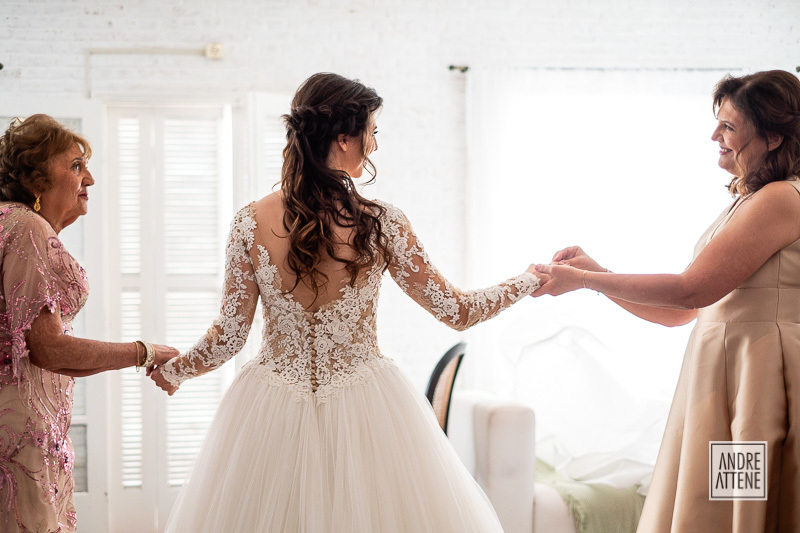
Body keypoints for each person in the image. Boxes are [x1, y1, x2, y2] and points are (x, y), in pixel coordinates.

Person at [149, 72, 541, 532]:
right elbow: (457, 312)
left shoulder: (249, 222)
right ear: (343, 139)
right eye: (372, 132)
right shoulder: (382, 223)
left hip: (270, 408)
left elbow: (229, 334)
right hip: (365, 406)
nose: (374, 146)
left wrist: (177, 369)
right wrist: (532, 280)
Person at [533, 69, 800, 532]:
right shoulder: (750, 198)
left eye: (729, 127)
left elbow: (689, 290)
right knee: (721, 506)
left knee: (738, 505)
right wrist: (596, 275)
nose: (714, 135)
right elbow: (682, 314)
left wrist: (580, 279)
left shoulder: (781, 199)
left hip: (756, 385)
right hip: (729, 379)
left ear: (773, 137)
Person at [0, 114, 179, 533]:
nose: (90, 179)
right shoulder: (26, 228)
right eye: (77, 166)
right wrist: (144, 351)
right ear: (37, 178)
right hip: (20, 431)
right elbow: (49, 350)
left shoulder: (8, 220)